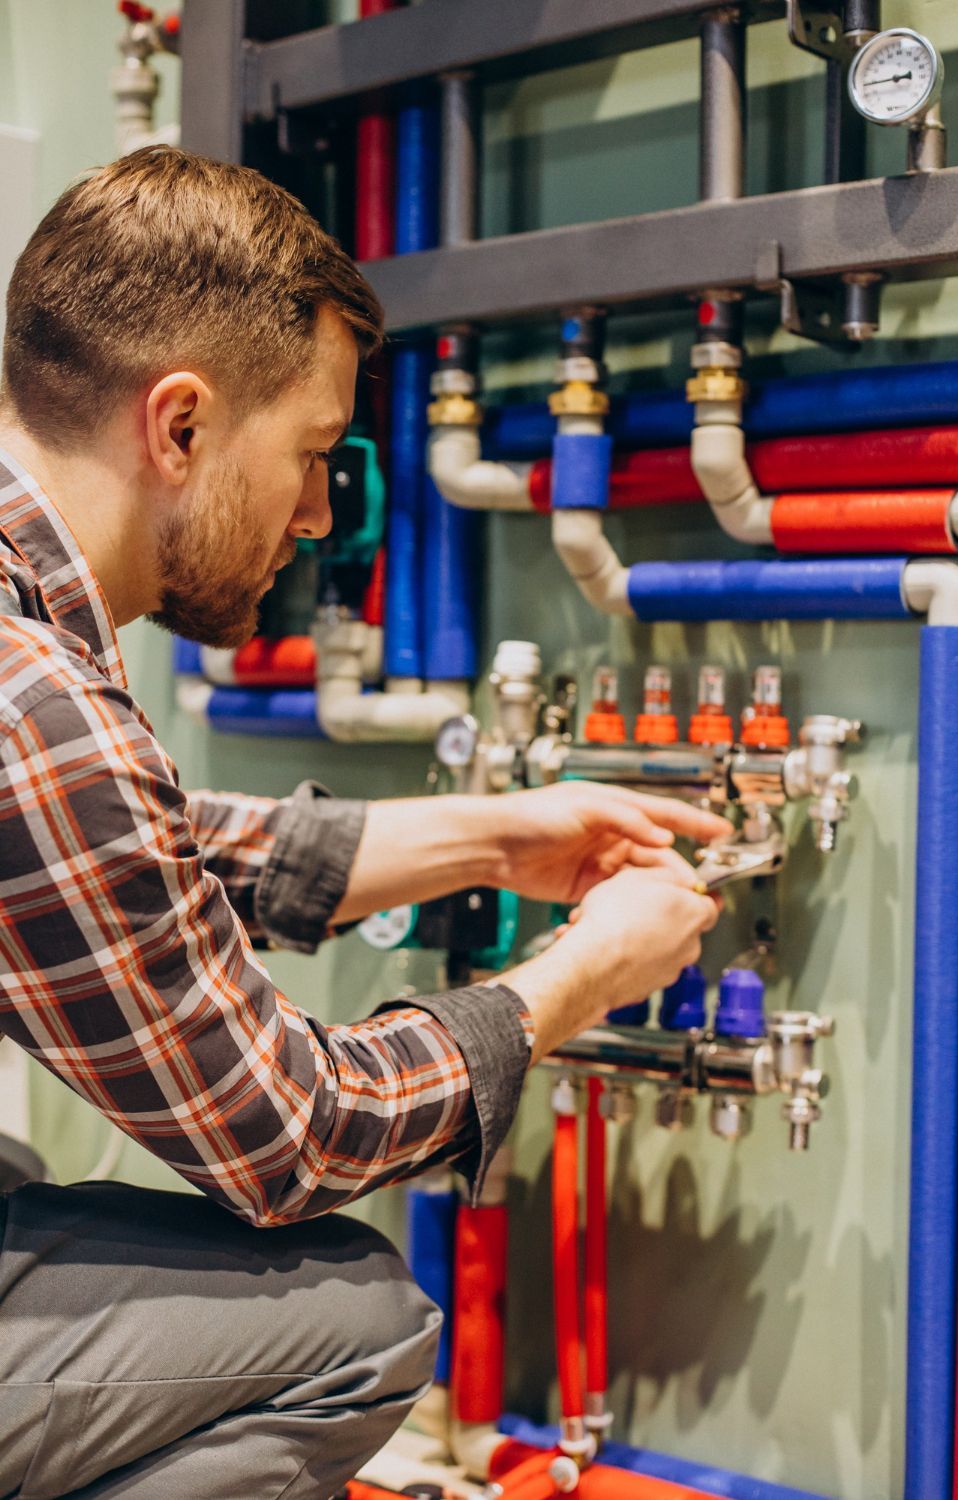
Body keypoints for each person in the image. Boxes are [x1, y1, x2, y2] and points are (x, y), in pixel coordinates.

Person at [0, 146, 723, 1500]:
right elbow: (289, 1136)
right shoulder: (35, 698)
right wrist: (578, 975)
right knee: (355, 1323)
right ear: (180, 426)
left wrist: (496, 834)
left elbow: (133, 852)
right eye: (318, 454)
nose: (326, 513)